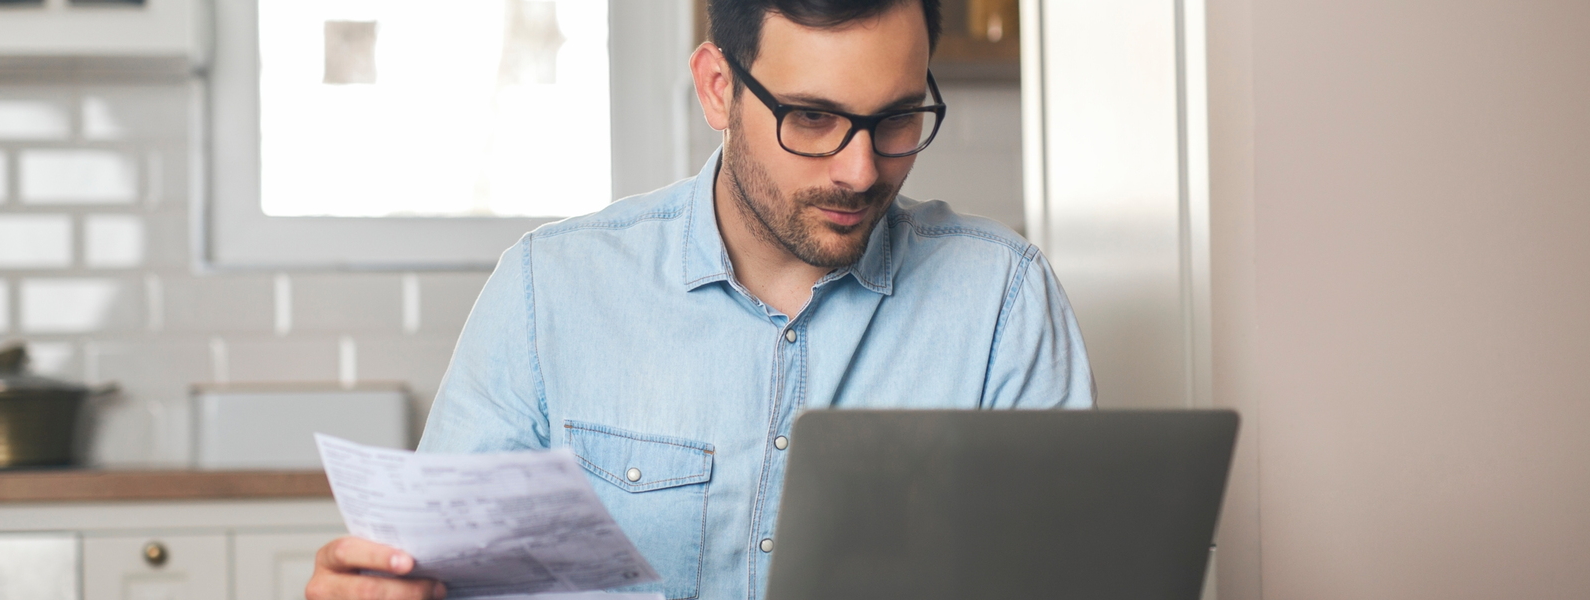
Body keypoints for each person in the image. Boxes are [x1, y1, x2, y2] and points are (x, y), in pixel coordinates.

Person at [304, 1, 1093, 599]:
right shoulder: (551, 289)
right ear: (719, 91)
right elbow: (437, 575)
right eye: (812, 119)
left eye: (895, 119)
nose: (859, 170)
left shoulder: (1004, 301)